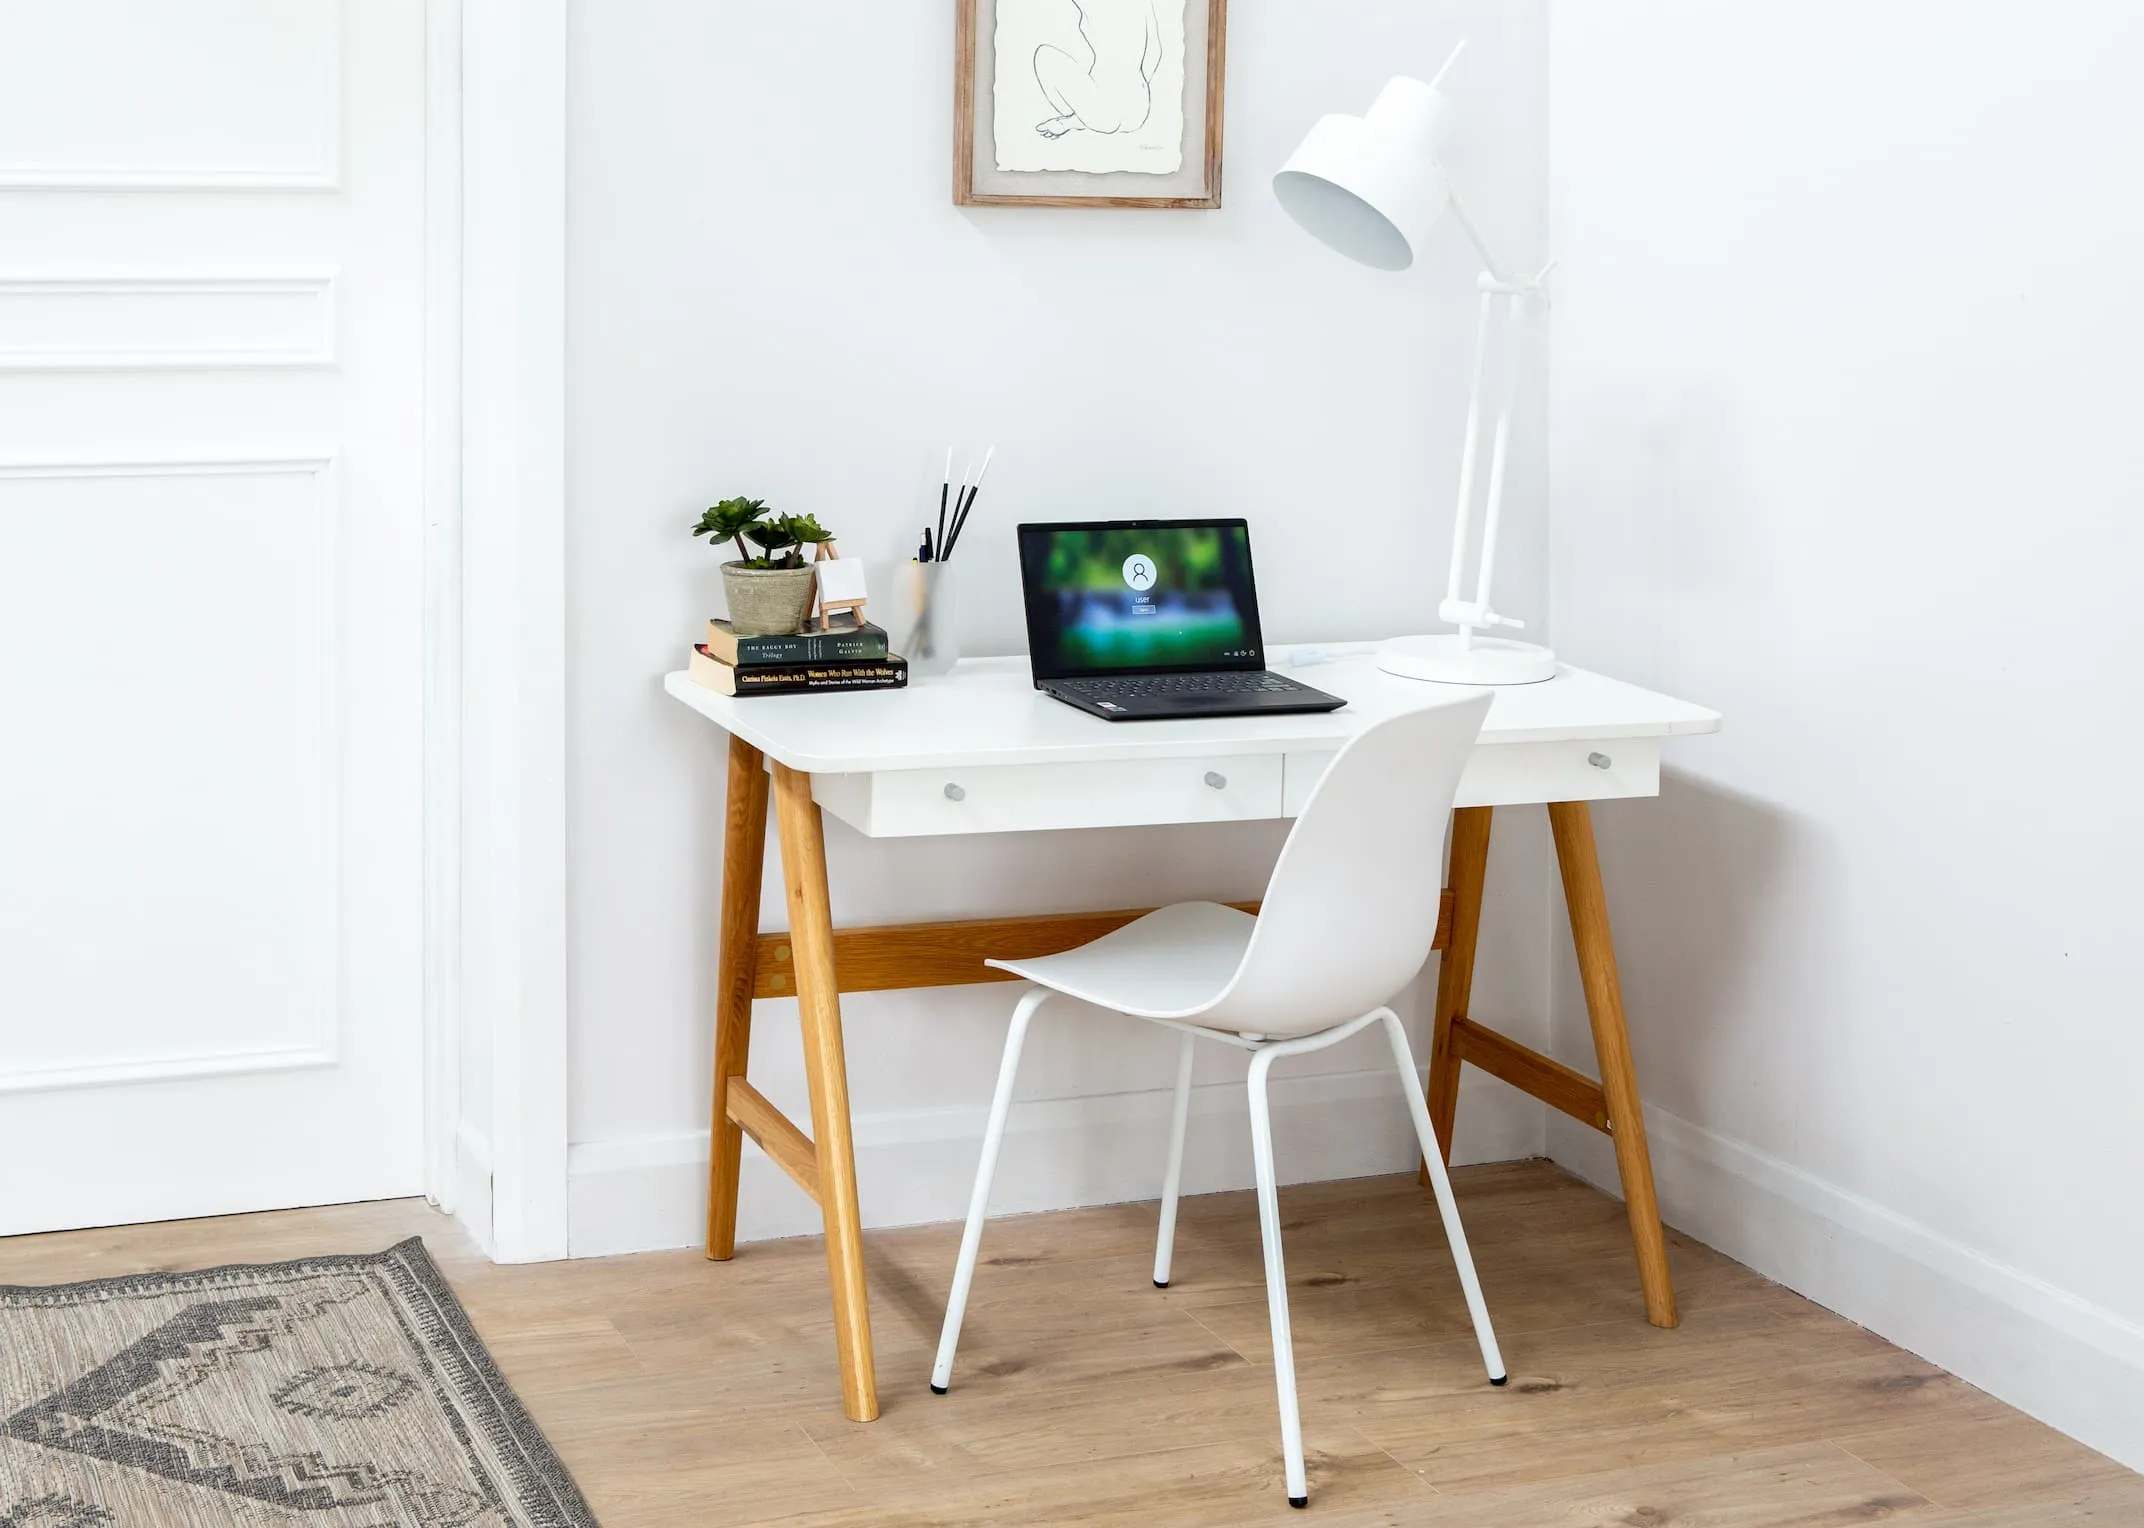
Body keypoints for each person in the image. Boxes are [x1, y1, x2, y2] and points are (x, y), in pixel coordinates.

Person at [1033, 1, 1162, 140]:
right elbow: (1155, 52)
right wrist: (1131, 93)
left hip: (1103, 113)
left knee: (1044, 55)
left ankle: (1080, 120)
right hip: (1138, 111)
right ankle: (1078, 120)